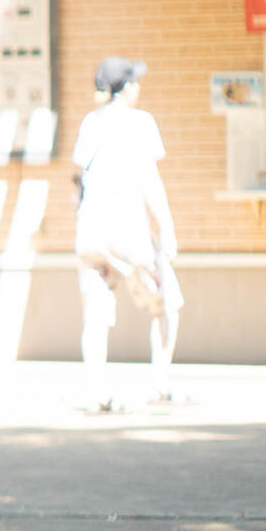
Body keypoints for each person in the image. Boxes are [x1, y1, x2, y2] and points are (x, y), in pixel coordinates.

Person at [73, 55, 183, 413]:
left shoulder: (90, 123)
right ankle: (160, 384)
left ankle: (95, 392)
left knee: (95, 313)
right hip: (127, 231)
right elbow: (150, 181)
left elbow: (78, 181)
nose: (139, 88)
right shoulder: (140, 123)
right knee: (166, 302)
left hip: (90, 231)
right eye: (135, 82)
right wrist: (166, 228)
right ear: (125, 88)